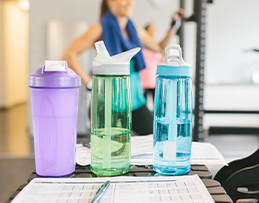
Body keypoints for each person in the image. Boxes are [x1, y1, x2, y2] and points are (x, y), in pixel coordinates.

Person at [62, 0, 182, 135]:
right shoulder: (100, 28)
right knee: (112, 152)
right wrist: (89, 82)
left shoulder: (136, 31)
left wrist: (173, 27)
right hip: (107, 106)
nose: (130, 2)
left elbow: (159, 47)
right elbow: (68, 54)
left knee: (158, 138)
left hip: (136, 103)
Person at [139, 23, 163, 108]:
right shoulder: (141, 46)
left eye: (154, 30)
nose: (153, 32)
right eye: (151, 30)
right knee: (142, 106)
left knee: (157, 106)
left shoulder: (158, 47)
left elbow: (162, 61)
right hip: (143, 83)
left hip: (155, 81)